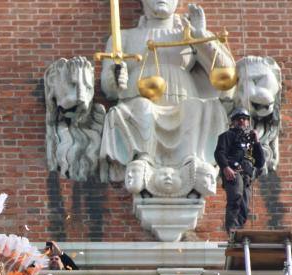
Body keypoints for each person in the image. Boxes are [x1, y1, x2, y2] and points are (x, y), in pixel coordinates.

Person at [99, 0, 233, 182]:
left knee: (194, 107)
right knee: (142, 107)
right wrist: (116, 78)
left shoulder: (189, 32)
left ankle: (190, 157)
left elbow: (225, 73)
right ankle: (144, 157)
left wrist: (201, 36)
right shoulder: (123, 38)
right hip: (139, 98)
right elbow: (109, 89)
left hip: (183, 97)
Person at [214, 108, 265, 232]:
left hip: (247, 176)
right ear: (234, 122)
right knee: (236, 196)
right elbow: (219, 153)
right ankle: (232, 230)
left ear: (248, 122)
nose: (241, 121)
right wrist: (226, 167)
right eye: (238, 119)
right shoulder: (227, 136)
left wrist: (257, 142)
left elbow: (260, 162)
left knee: (244, 206)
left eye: (244, 119)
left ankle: (238, 231)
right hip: (234, 171)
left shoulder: (251, 140)